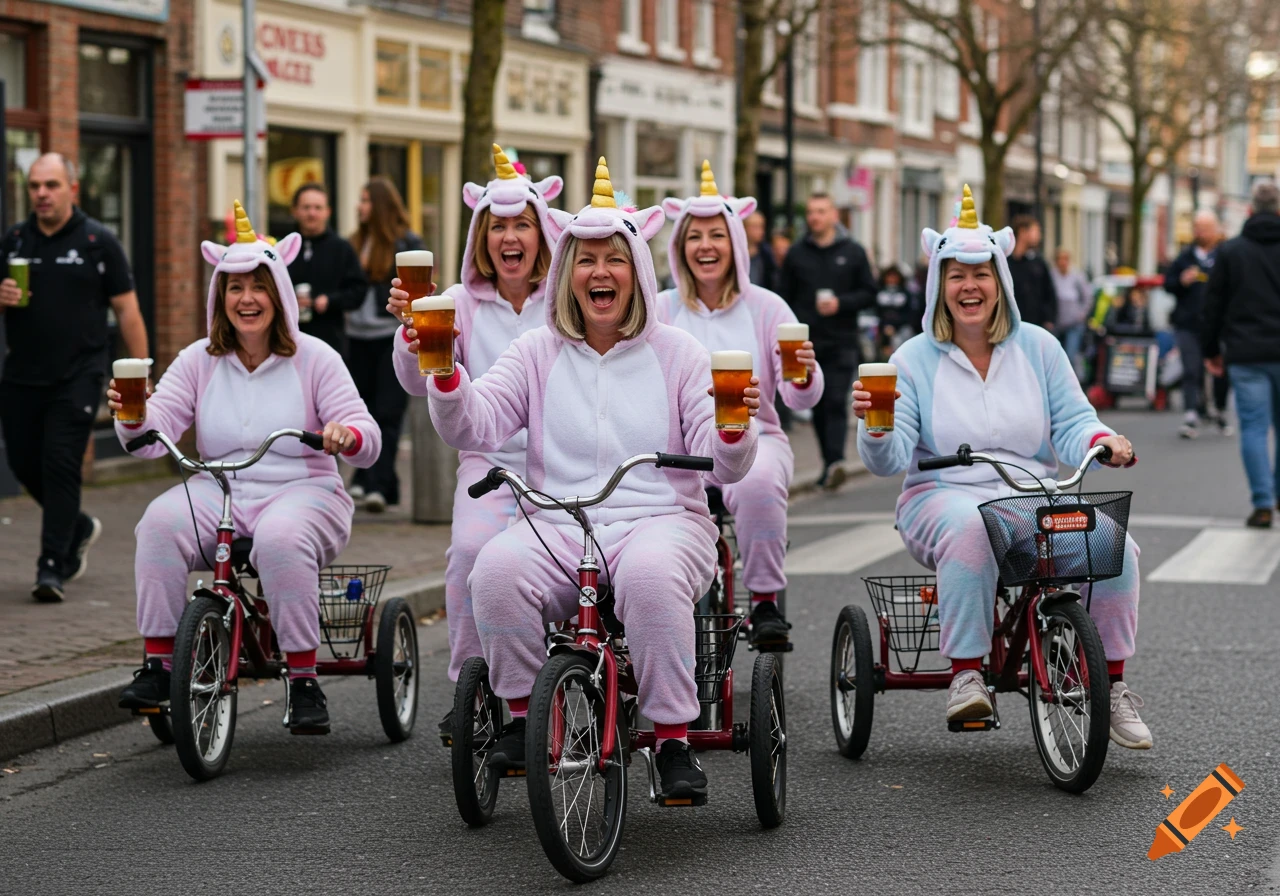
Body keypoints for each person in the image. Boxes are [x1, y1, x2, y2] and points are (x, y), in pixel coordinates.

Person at [394, 159, 761, 800]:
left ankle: (672, 738)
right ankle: (519, 717)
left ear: (639, 273)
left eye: (615, 259)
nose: (600, 272)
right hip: (559, 524)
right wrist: (448, 376)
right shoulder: (535, 351)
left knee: (649, 577)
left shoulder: (680, 354)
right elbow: (473, 427)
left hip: (663, 521)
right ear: (566, 273)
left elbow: (722, 463)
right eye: (585, 260)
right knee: (494, 569)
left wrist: (734, 431)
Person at [852, 186, 1151, 750]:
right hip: (940, 494)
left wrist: (1103, 439)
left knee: (1116, 546)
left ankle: (1112, 685)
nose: (970, 286)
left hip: (1030, 492)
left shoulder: (1039, 347)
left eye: (981, 274)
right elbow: (889, 461)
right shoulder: (909, 360)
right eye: (956, 275)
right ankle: (966, 671)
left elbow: (1072, 422)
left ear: (1001, 283)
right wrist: (875, 426)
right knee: (973, 527)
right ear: (939, 285)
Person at [112, 202, 380, 733]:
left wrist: (345, 435)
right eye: (234, 288)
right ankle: (159, 662)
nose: (247, 298)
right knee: (159, 523)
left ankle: (303, 678)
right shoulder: (197, 360)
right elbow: (150, 439)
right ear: (220, 298)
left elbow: (366, 436)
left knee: (280, 539)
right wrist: (132, 413)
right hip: (220, 489)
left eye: (258, 286)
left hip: (305, 490)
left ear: (279, 293)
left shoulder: (316, 357)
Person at [386, 145, 563, 741]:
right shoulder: (456, 303)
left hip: (559, 463)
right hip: (486, 462)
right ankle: (474, 686)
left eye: (521, 226)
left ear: (542, 234)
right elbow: (415, 382)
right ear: (480, 238)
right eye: (497, 227)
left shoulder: (565, 302)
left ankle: (565, 672)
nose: (509, 237)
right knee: (469, 554)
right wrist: (411, 330)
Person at [657, 161, 823, 651]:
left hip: (755, 436)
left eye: (717, 234)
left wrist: (805, 374)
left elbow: (799, 398)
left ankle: (766, 601)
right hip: (677, 445)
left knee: (758, 482)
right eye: (694, 236)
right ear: (679, 247)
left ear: (736, 243)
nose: (706, 246)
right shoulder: (661, 309)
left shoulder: (768, 307)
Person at [0, 153, 147, 602]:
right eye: (35, 186)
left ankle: (51, 566)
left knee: (60, 463)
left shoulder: (98, 242)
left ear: (72, 188)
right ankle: (78, 526)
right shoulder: (15, 240)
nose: (42, 193)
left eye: (51, 185)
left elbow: (127, 311)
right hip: (23, 374)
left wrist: (140, 379)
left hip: (79, 375)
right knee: (24, 463)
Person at [778, 192, 876, 490]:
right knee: (817, 404)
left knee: (835, 399)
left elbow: (869, 293)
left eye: (821, 211)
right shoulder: (797, 254)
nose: (814, 217)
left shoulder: (854, 251)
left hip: (843, 340)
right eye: (810, 212)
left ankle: (835, 462)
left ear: (834, 215)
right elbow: (783, 298)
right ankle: (828, 462)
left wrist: (841, 303)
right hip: (807, 344)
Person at [1202, 180, 1280, 529]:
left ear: (1250, 210)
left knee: (1252, 427)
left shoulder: (1231, 251)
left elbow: (1213, 305)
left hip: (1246, 352)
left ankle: (1263, 502)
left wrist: (1211, 349)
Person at [346, 177, 423, 512]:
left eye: (365, 201)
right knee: (360, 411)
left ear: (378, 206)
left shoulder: (405, 243)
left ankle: (380, 484)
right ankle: (369, 481)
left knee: (388, 413)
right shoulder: (355, 242)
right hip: (356, 338)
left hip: (387, 338)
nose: (359, 207)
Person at [1165, 210, 1231, 439]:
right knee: (1191, 368)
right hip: (1188, 323)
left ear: (1215, 230)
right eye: (1197, 227)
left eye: (1205, 227)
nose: (1200, 232)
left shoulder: (1225, 255)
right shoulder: (1185, 257)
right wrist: (1181, 281)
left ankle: (1220, 410)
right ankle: (1191, 413)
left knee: (1221, 369)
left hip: (1219, 324)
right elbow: (1168, 283)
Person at [286, 183, 367, 356]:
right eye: (306, 207)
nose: (312, 213)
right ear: (295, 211)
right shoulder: (284, 248)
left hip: (330, 341)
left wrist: (329, 300)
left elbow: (358, 291)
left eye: (317, 208)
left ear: (327, 212)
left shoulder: (342, 249)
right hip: (288, 341)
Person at [1005, 215, 1057, 330]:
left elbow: (1049, 292)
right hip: (1011, 325)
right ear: (1023, 232)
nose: (1039, 236)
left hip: (1036, 325)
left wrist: (1049, 319)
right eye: (1036, 231)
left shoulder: (1038, 262)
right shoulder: (1005, 262)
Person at [1050, 247, 1092, 381]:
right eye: (1059, 259)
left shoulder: (1077, 276)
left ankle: (1073, 384)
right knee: (1055, 357)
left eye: (1065, 259)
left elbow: (1087, 297)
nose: (1062, 263)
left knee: (1070, 355)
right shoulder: (1052, 276)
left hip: (1074, 323)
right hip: (1056, 323)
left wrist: (1081, 314)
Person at [872, 263, 923, 361]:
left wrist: (896, 326)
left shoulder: (906, 294)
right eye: (889, 276)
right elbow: (878, 313)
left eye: (894, 276)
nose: (892, 279)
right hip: (883, 328)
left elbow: (910, 313)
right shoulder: (879, 293)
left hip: (901, 329)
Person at [744, 209, 778, 291]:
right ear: (744, 227)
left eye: (762, 226)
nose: (761, 231)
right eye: (755, 227)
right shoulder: (734, 252)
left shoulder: (766, 253)